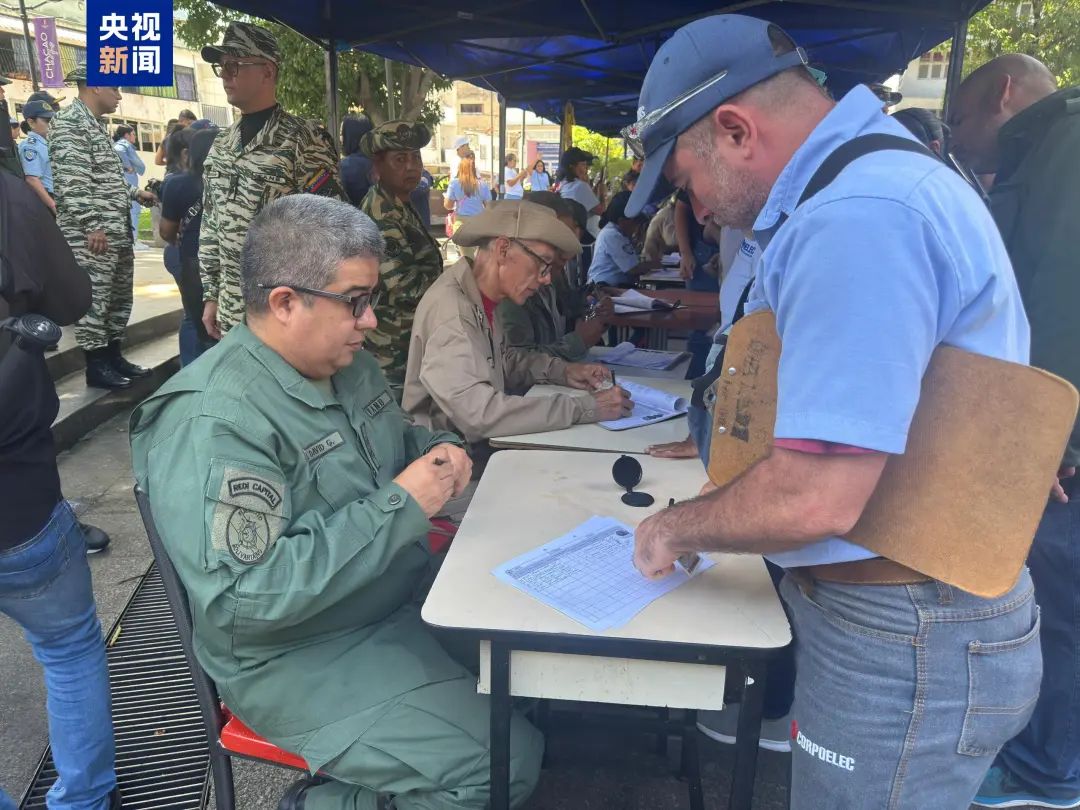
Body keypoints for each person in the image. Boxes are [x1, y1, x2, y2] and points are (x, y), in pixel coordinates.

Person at [624, 15, 1039, 809]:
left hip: (903, 623)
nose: (695, 207)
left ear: (736, 130)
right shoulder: (866, 187)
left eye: (685, 181)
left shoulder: (858, 217)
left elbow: (818, 495)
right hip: (906, 612)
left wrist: (676, 527)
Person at [130, 195, 542, 810]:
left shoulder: (345, 366)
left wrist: (444, 449)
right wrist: (401, 505)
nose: (370, 319)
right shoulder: (215, 421)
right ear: (284, 303)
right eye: (355, 301)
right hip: (299, 655)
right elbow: (248, 598)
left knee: (535, 660)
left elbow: (402, 440)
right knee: (505, 764)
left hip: (391, 598)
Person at [948, 54, 1080, 810]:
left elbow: (1064, 299)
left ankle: (1047, 771)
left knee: (1059, 606)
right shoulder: (1049, 149)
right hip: (1055, 428)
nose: (955, 139)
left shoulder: (1066, 148)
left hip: (1061, 441)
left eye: (960, 119)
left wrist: (1048, 435)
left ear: (1003, 94)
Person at [0, 169, 121, 810]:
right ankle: (83, 800)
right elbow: (73, 296)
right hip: (18, 503)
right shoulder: (9, 196)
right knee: (69, 648)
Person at [404, 200, 632, 455]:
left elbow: (503, 361)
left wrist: (564, 371)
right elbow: (480, 414)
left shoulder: (480, 298)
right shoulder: (452, 313)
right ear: (503, 249)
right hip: (452, 466)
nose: (547, 279)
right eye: (542, 264)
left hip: (472, 451)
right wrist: (584, 408)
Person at [199, 22, 341, 340]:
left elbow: (330, 230)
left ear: (268, 71)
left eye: (235, 65)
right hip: (232, 311)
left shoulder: (303, 139)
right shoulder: (221, 144)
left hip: (285, 312)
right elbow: (211, 224)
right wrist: (211, 294)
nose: (225, 75)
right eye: (222, 67)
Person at [50, 66, 156, 389]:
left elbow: (105, 179)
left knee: (117, 298)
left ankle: (113, 356)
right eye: (115, 89)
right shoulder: (70, 123)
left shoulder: (95, 125)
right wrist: (92, 225)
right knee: (95, 299)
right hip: (93, 235)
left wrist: (135, 193)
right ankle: (96, 366)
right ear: (95, 86)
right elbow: (73, 182)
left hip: (115, 231)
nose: (119, 96)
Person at [358, 120, 444, 392]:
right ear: (378, 166)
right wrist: (454, 287)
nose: (411, 167)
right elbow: (404, 287)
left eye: (415, 157)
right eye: (400, 159)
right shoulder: (381, 213)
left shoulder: (399, 203)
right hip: (393, 350)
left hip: (410, 342)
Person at [496, 190, 611, 361]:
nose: (566, 255)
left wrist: (593, 306)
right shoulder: (510, 289)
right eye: (555, 244)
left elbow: (567, 307)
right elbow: (517, 362)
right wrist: (578, 342)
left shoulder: (552, 272)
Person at [159, 126, 219, 364]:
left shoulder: (177, 184)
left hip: (193, 264)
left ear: (190, 153)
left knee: (196, 322)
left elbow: (166, 231)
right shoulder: (235, 181)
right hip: (230, 263)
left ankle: (192, 372)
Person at [588, 190, 661, 286]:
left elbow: (635, 257)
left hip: (617, 285)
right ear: (622, 221)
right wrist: (654, 265)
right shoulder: (612, 235)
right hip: (604, 286)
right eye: (635, 221)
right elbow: (633, 268)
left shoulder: (620, 234)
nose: (636, 225)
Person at [443, 153, 489, 256]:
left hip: (461, 224)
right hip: (479, 222)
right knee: (479, 256)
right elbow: (489, 206)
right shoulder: (483, 185)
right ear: (474, 169)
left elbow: (448, 206)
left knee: (467, 258)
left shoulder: (454, 184)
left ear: (460, 169)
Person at [19, 99, 56, 215]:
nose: (52, 124)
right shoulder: (30, 146)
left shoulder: (45, 142)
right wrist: (52, 205)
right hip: (45, 200)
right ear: (31, 122)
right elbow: (32, 179)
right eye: (47, 121)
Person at [556, 146, 604, 236]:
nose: (586, 169)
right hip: (588, 236)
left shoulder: (563, 184)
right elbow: (601, 211)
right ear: (571, 166)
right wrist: (601, 193)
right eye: (582, 165)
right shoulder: (580, 186)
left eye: (586, 165)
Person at [113, 125, 146, 243]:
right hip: (129, 183)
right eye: (133, 134)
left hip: (126, 181)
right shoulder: (123, 143)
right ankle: (133, 240)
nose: (135, 137)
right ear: (126, 135)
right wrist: (127, 166)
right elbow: (119, 150)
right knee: (134, 210)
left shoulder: (121, 144)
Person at [339, 114, 375, 205]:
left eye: (342, 134)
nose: (340, 139)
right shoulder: (385, 161)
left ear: (350, 136)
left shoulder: (345, 166)